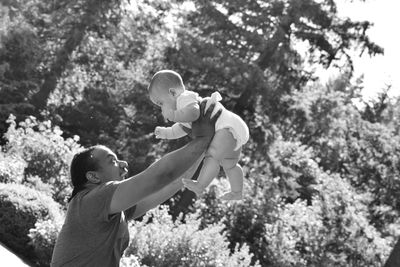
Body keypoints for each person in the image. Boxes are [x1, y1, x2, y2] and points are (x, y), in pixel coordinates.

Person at [50, 100, 221, 267]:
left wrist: (205, 144)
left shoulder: (116, 209)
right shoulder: (91, 201)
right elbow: (160, 176)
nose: (124, 164)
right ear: (93, 177)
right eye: (112, 161)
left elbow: (175, 181)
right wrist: (202, 138)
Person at [148, 70, 249, 200]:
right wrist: (166, 133)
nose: (161, 108)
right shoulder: (182, 112)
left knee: (212, 156)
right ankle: (237, 192)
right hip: (232, 131)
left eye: (161, 103)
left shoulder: (184, 98)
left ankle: (200, 185)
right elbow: (180, 129)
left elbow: (194, 113)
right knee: (230, 164)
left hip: (225, 127)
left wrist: (173, 115)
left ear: (172, 93)